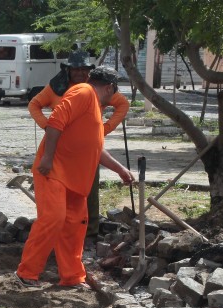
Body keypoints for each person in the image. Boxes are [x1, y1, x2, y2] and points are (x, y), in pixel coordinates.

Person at [16, 66, 134, 289]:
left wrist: (120, 169)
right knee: (54, 218)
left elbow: (94, 148)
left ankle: (72, 277)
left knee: (74, 228)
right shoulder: (83, 93)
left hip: (75, 180)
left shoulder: (94, 107)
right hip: (54, 171)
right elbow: (54, 124)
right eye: (115, 91)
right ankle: (27, 273)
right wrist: (47, 159)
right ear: (109, 87)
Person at [28, 51, 128, 235]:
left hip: (85, 150)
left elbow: (122, 103)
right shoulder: (58, 88)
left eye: (84, 70)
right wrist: (46, 125)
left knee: (86, 191)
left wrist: (105, 129)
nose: (80, 73)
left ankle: (87, 230)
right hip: (60, 151)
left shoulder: (98, 90)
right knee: (57, 201)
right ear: (68, 70)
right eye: (76, 70)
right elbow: (35, 105)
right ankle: (56, 231)